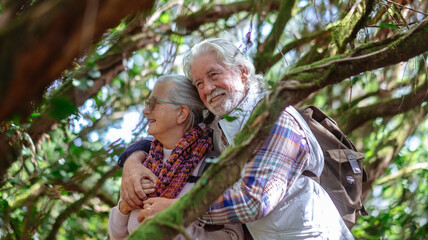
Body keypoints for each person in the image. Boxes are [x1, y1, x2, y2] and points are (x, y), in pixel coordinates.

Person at [120, 39, 355, 239]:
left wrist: (178, 209)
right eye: (199, 83)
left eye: (214, 74)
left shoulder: (276, 116)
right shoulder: (219, 127)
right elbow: (174, 138)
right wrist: (132, 162)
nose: (208, 88)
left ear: (243, 73)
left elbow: (255, 200)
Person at [108, 74, 244, 240]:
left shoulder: (211, 167)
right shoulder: (142, 164)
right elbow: (116, 236)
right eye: (146, 103)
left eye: (153, 104)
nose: (145, 111)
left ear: (181, 113)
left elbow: (234, 236)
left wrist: (179, 224)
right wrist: (123, 208)